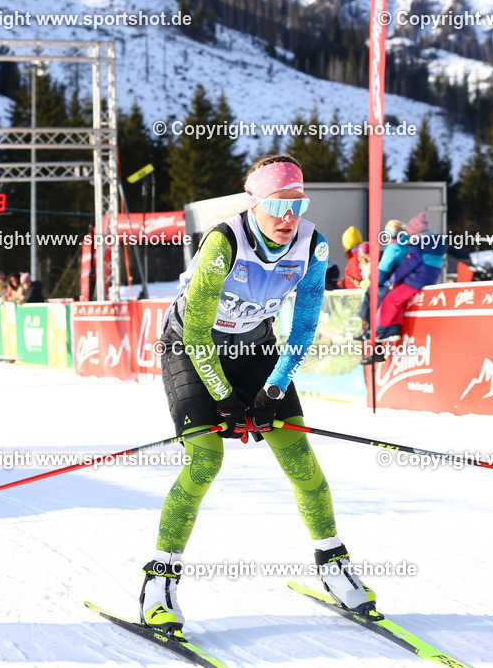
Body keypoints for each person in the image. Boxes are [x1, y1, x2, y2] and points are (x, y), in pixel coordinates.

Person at [139, 154, 373, 638]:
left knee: (300, 456)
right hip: (191, 345)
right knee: (204, 458)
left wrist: (274, 386)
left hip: (255, 348)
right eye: (278, 205)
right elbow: (199, 333)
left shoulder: (313, 245)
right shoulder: (223, 243)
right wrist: (226, 400)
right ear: (254, 204)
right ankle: (158, 582)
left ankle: (333, 563)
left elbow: (304, 326)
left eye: (298, 203)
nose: (289, 216)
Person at [367, 212, 447, 353]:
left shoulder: (418, 246)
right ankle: (391, 329)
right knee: (397, 298)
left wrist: (394, 279)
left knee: (391, 298)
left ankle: (379, 329)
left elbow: (407, 266)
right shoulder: (433, 243)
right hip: (430, 277)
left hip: (418, 279)